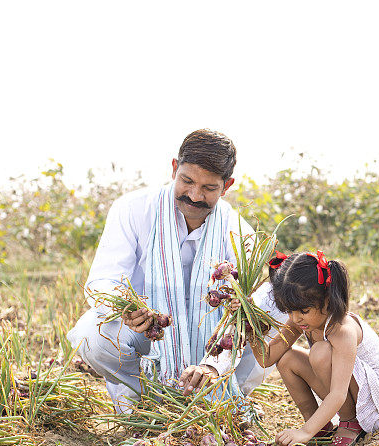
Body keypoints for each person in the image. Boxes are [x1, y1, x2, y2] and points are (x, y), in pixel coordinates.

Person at [67, 129, 284, 413]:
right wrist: (128, 308)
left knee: (275, 311)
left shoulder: (236, 231)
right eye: (188, 181)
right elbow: (102, 281)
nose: (194, 195)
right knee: (89, 334)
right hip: (147, 331)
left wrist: (217, 359)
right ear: (174, 169)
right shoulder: (133, 210)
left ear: (227, 186)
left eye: (209, 188)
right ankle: (141, 400)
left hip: (214, 341)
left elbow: (249, 306)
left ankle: (220, 398)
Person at [245, 251, 379, 446]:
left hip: (376, 396)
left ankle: (350, 423)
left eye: (303, 311)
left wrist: (303, 432)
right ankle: (318, 426)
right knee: (286, 359)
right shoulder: (299, 320)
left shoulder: (342, 330)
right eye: (290, 311)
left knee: (320, 352)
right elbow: (267, 358)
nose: (295, 318)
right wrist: (249, 324)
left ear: (327, 300)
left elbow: (338, 393)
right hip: (348, 389)